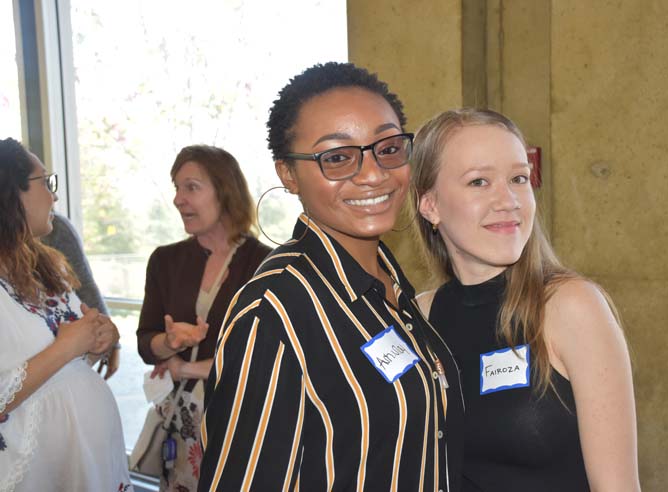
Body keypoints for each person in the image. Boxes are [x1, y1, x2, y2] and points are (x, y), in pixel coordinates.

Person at [198, 62, 463, 492]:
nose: (374, 173)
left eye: (389, 148)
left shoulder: (392, 288)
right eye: (337, 157)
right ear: (288, 174)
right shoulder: (273, 313)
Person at [412, 108, 640, 491]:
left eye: (519, 178)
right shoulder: (420, 317)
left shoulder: (570, 307)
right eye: (479, 181)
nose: (509, 200)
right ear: (430, 205)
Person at [136, 144, 271, 491]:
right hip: (179, 427)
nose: (178, 199)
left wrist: (187, 368)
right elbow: (144, 342)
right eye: (177, 188)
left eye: (191, 187)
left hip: (239, 423)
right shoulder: (164, 261)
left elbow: (264, 358)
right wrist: (168, 342)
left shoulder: (266, 265)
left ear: (225, 192)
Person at [0, 137, 131, 491]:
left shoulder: (45, 266)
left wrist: (101, 337)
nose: (54, 196)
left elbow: (78, 340)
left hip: (91, 466)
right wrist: (68, 346)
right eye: (46, 182)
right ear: (12, 193)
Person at [42, 212, 120, 379]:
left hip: (73, 362)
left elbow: (83, 283)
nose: (53, 196)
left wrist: (112, 341)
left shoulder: (55, 227)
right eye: (45, 184)